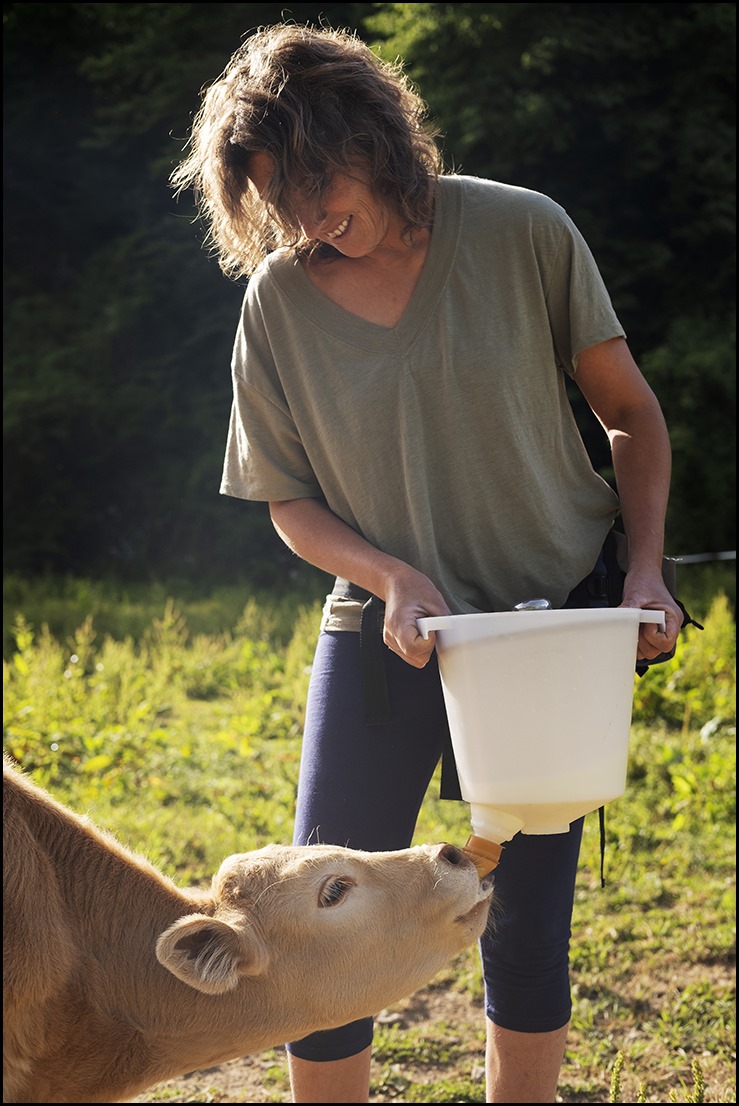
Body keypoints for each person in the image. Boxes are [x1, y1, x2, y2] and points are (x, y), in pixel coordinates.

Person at [171, 22, 683, 1103]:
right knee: (321, 912)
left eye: (314, 176)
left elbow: (630, 415)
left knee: (525, 921)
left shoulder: (522, 231)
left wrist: (645, 573)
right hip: (386, 634)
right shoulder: (275, 302)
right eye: (276, 195)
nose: (305, 214)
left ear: (372, 132)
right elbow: (288, 502)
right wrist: (390, 570)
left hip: (546, 628)